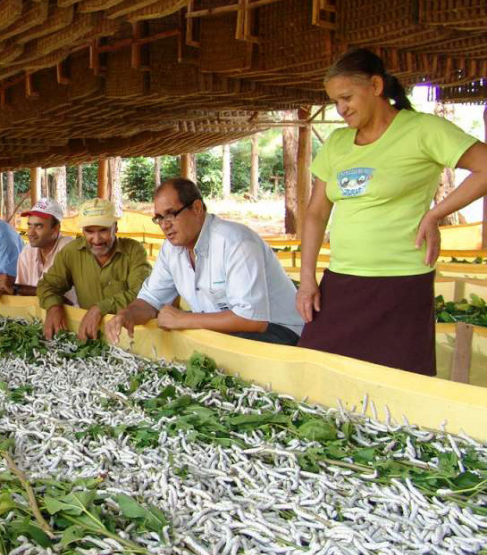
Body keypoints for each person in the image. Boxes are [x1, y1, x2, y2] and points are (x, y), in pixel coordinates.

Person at [297, 48, 487, 375]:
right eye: (335, 102)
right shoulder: (337, 144)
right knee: (315, 373)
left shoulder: (423, 129)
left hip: (401, 281)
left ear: (375, 86)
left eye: (347, 98)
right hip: (341, 281)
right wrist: (306, 279)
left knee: (397, 383)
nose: (341, 109)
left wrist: (435, 214)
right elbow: (315, 213)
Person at [105, 179, 303, 345]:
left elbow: (252, 320)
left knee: (198, 347)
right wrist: (127, 315)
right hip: (224, 327)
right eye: (159, 218)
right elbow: (150, 300)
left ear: (197, 208)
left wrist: (184, 318)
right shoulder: (170, 249)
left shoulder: (236, 243)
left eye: (171, 214)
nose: (165, 225)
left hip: (279, 331)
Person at [37, 198, 151, 341]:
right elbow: (47, 285)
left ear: (115, 227)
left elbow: (144, 296)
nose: (96, 240)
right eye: (89, 232)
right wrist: (53, 306)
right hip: (90, 335)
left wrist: (99, 308)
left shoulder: (134, 251)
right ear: (83, 231)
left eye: (103, 230)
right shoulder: (71, 252)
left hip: (131, 337)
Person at [0, 198, 76, 305]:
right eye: (29, 225)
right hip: (37, 315)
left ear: (56, 228)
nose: (31, 233)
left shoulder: (68, 248)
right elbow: (21, 291)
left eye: (39, 226)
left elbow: (58, 295)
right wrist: (1, 289)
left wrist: (15, 288)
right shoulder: (28, 251)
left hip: (70, 315)